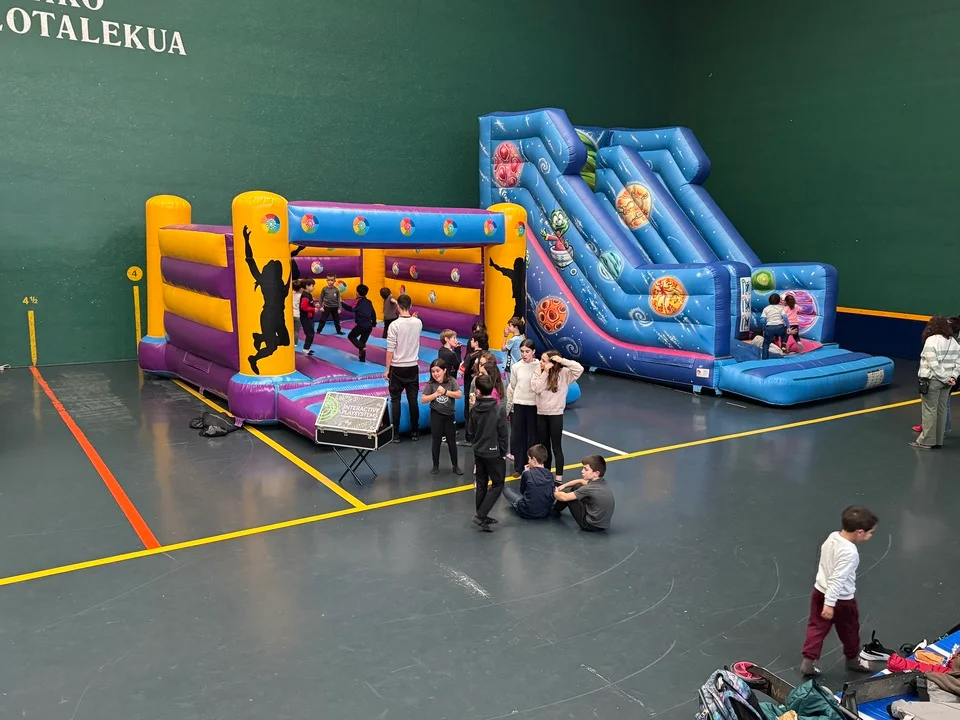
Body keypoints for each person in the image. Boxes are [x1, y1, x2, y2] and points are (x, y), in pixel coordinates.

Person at [800, 506, 878, 676]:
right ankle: (852, 659)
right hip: (841, 600)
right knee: (849, 630)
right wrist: (830, 603)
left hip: (819, 591)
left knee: (816, 627)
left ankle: (808, 661)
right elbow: (838, 579)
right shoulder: (850, 553)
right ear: (859, 532)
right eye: (870, 533)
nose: (870, 536)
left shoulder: (832, 537)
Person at [531, 349, 584, 483]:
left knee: (556, 447)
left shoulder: (564, 374)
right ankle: (546, 473)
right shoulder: (539, 371)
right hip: (541, 414)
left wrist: (562, 361)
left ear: (552, 363)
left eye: (543, 361)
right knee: (544, 447)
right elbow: (536, 388)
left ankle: (558, 478)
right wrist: (545, 372)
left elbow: (579, 369)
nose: (540, 362)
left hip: (556, 415)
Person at [912, 315, 960, 450]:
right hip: (948, 382)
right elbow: (958, 362)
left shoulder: (931, 340)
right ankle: (938, 440)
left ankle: (926, 441)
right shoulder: (953, 342)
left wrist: (944, 377)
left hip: (932, 380)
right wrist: (953, 377)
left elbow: (933, 364)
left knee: (929, 411)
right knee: (941, 410)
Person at [468, 375, 509, 532]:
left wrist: (476, 444)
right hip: (494, 453)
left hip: (479, 451)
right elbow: (503, 433)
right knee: (498, 484)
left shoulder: (474, 409)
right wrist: (502, 451)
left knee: (482, 483)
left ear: (478, 391)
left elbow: (470, 432)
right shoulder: (498, 410)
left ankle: (482, 515)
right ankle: (481, 515)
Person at [384, 294, 423, 440]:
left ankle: (395, 434)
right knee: (413, 400)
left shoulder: (394, 325)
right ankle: (415, 432)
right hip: (412, 365)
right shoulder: (418, 323)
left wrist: (387, 369)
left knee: (395, 400)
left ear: (398, 306)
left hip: (397, 366)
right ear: (411, 305)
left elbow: (390, 349)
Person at [421, 359, 463, 476]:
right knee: (436, 440)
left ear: (444, 370)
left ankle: (455, 465)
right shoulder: (431, 384)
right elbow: (423, 399)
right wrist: (435, 394)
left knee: (451, 441)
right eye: (433, 371)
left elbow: (459, 394)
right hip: (436, 415)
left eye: (438, 371)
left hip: (449, 415)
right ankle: (435, 465)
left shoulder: (451, 381)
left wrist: (445, 392)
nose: (435, 374)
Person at [551, 455, 614, 531]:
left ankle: (554, 511)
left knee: (569, 496)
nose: (582, 471)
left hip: (590, 525)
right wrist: (564, 485)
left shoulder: (589, 488)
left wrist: (555, 491)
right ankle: (556, 509)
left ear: (596, 473)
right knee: (577, 486)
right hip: (602, 524)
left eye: (586, 470)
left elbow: (564, 497)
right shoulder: (601, 482)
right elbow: (580, 481)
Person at [508, 339, 540, 477]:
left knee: (532, 437)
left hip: (534, 405)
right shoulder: (516, 367)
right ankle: (519, 467)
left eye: (527, 351)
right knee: (518, 436)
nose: (524, 354)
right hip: (519, 404)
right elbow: (513, 385)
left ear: (533, 352)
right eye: (522, 351)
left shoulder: (539, 366)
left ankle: (532, 466)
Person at [502, 444, 554, 519]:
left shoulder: (527, 473)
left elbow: (522, 491)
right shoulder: (549, 474)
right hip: (544, 512)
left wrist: (525, 472)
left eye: (529, 459)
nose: (528, 461)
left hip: (526, 511)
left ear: (533, 460)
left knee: (506, 490)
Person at [459, 330, 489, 446]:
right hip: (485, 387)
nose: (470, 341)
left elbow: (461, 371)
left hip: (471, 388)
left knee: (469, 411)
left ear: (476, 342)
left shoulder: (470, 356)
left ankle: (469, 437)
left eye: (472, 340)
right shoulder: (487, 355)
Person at [342, 284, 376, 362]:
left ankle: (362, 347)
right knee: (362, 342)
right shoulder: (369, 302)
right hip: (369, 326)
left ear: (357, 292)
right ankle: (362, 359)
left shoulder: (358, 301)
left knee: (351, 336)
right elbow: (373, 313)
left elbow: (351, 309)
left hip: (361, 325)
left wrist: (342, 303)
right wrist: (374, 323)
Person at [761, 293, 788, 360]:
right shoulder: (781, 308)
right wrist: (788, 327)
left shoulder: (766, 309)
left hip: (769, 328)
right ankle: (783, 344)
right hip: (780, 327)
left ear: (769, 301)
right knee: (785, 332)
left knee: (766, 343)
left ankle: (764, 358)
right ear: (779, 301)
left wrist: (764, 329)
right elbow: (785, 317)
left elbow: (763, 320)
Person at [298, 279, 318, 355]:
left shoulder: (309, 295)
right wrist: (313, 309)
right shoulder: (305, 296)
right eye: (312, 286)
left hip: (309, 317)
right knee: (310, 334)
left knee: (311, 333)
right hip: (305, 317)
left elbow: (309, 304)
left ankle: (307, 348)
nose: (313, 287)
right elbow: (303, 307)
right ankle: (305, 349)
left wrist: (315, 305)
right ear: (307, 286)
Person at [502, 317, 525, 381]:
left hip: (510, 366)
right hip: (517, 365)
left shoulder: (513, 340)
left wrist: (505, 336)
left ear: (516, 327)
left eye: (510, 326)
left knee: (510, 384)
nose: (508, 327)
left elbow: (503, 349)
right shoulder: (521, 337)